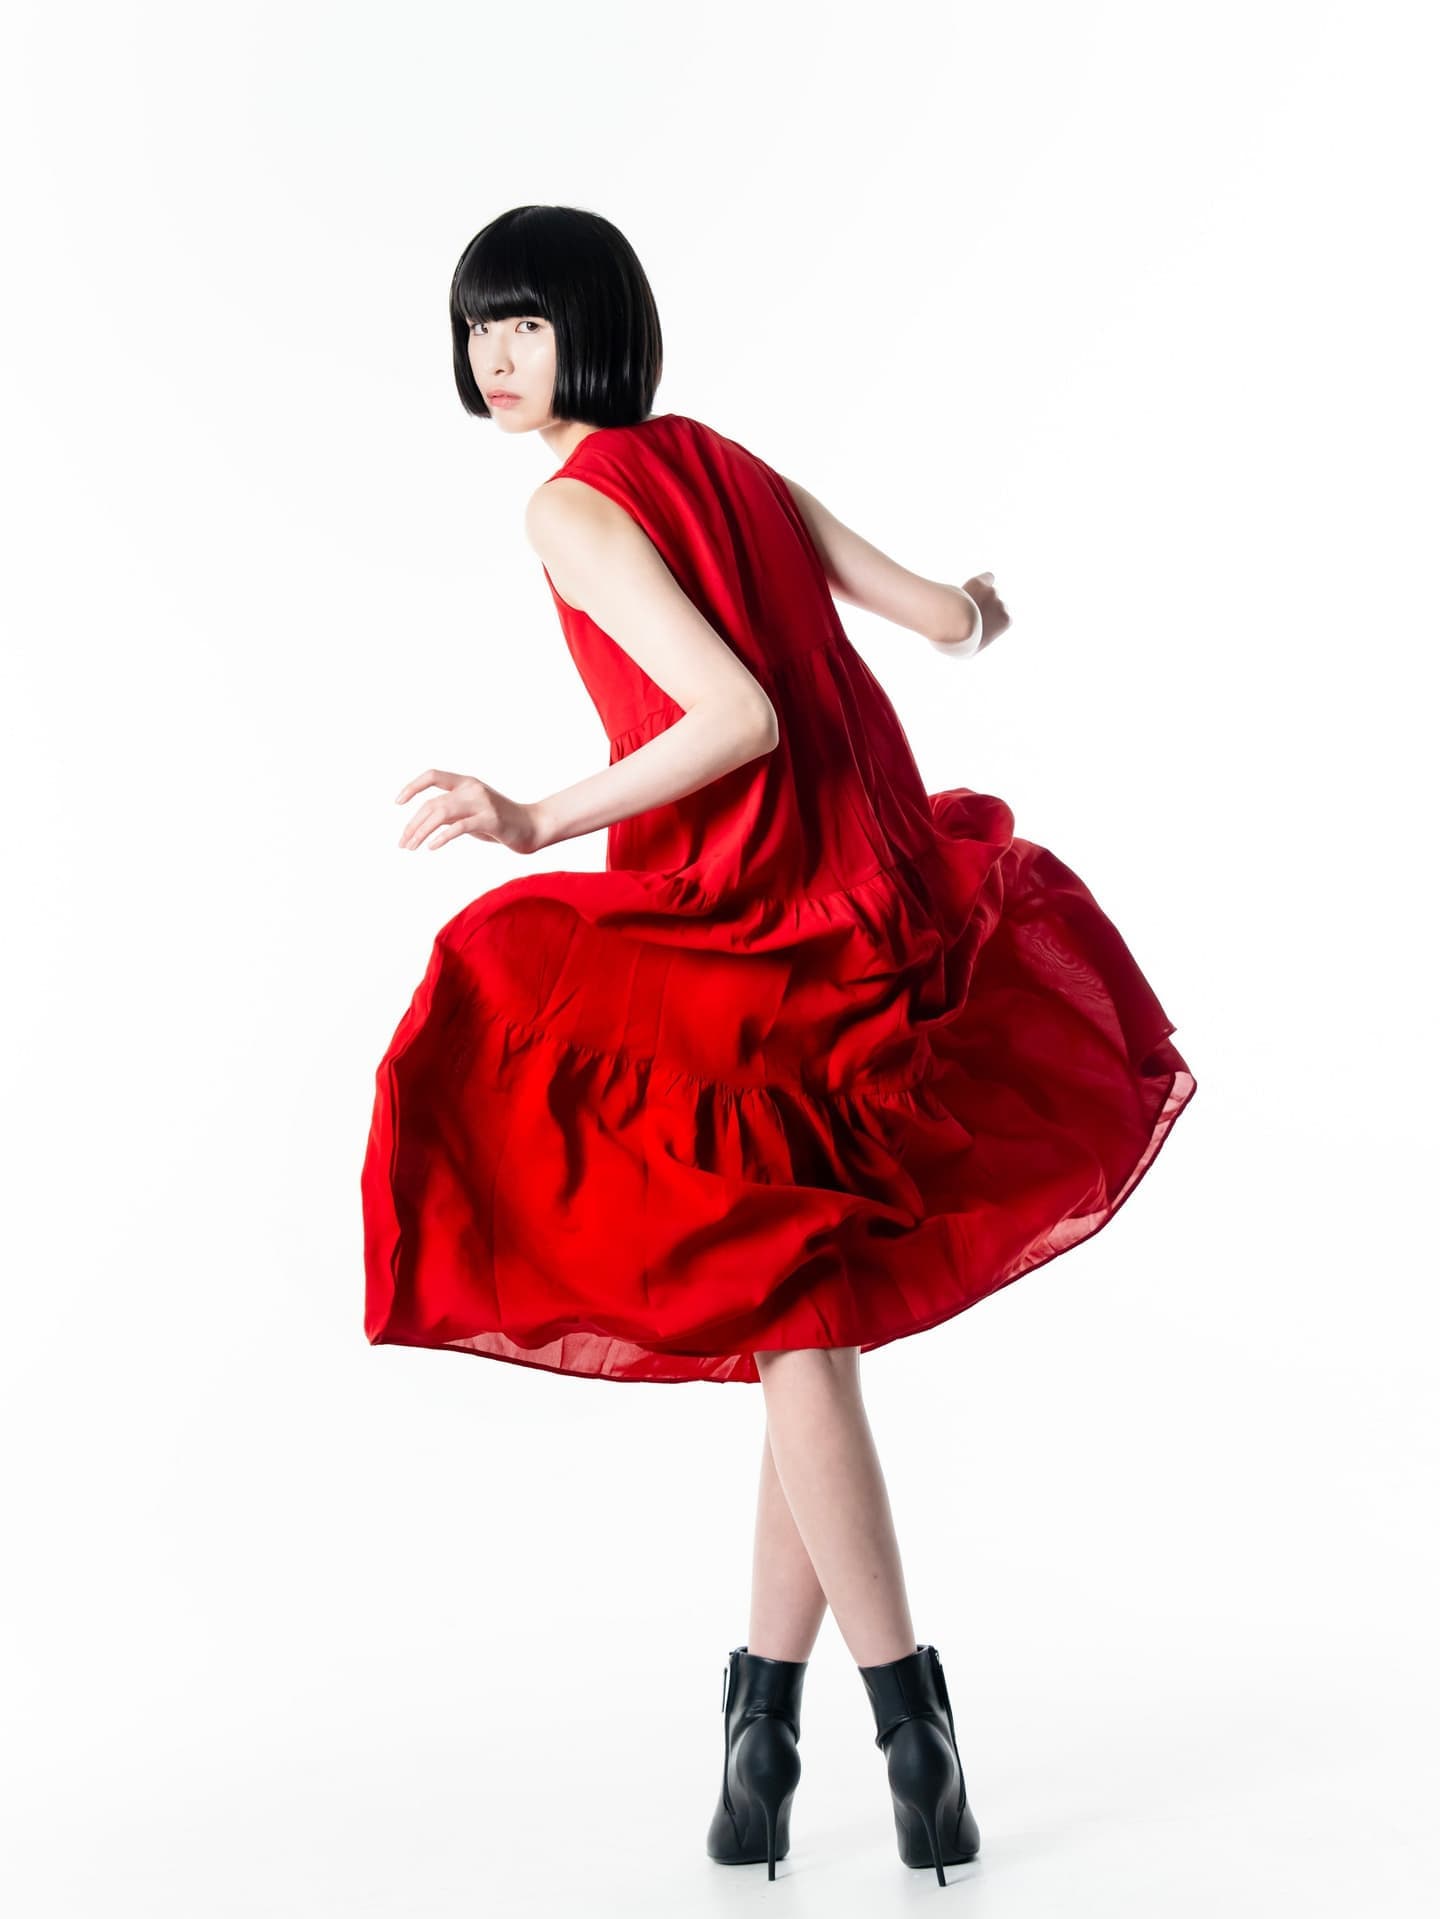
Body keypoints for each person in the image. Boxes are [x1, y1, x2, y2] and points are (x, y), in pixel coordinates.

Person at [360, 204, 1198, 1886]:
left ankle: (913, 1732)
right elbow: (944, 621)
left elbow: (731, 717)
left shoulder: (573, 503)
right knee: (799, 1326)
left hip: (755, 923)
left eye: (526, 324)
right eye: (478, 329)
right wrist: (983, 607)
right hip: (881, 895)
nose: (496, 358)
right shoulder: (732, 464)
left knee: (792, 1324)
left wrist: (531, 817)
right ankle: (762, 1737)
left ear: (597, 329)